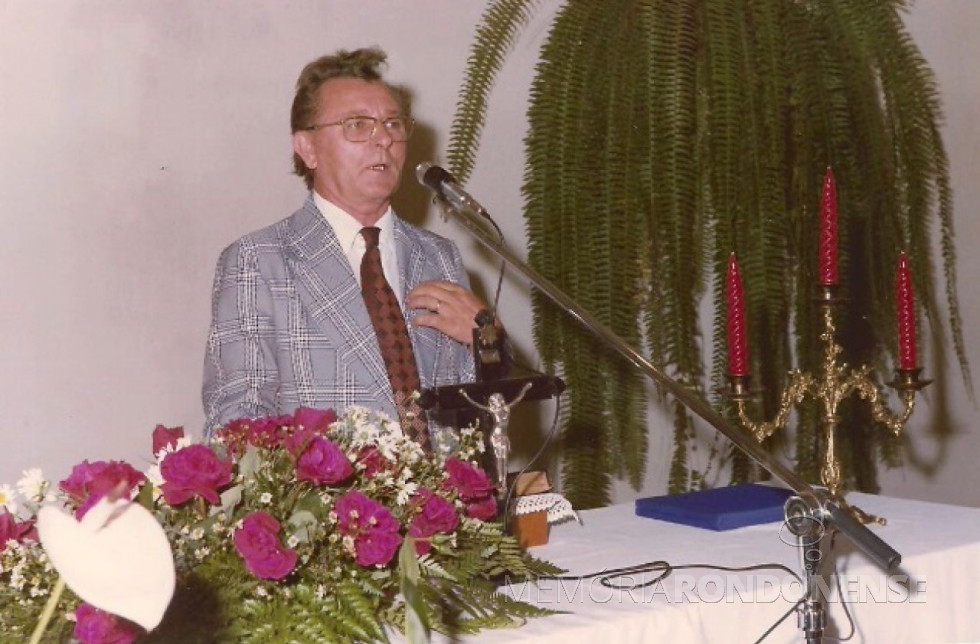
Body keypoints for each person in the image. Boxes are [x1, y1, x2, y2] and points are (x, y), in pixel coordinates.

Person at [202, 47, 492, 441]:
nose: (383, 139)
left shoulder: (440, 256)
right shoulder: (259, 261)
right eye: (358, 124)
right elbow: (238, 423)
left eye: (393, 124)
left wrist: (488, 346)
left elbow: (477, 417)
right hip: (331, 500)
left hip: (439, 501)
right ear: (307, 148)